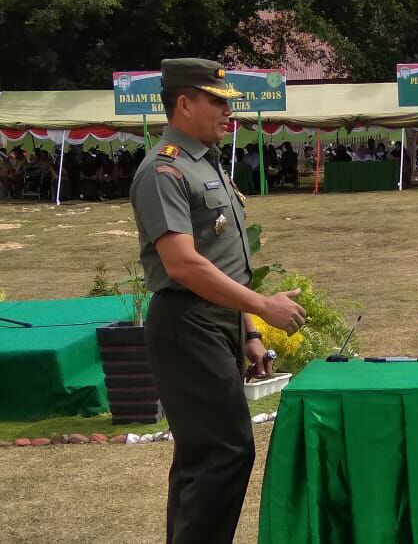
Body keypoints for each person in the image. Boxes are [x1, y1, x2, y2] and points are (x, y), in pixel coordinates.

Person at [129, 58, 306, 544]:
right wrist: (264, 306)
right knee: (224, 453)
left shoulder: (201, 163)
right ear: (184, 103)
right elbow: (184, 265)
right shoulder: (163, 169)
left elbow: (223, 262)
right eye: (217, 101)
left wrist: (248, 330)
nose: (228, 112)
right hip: (188, 323)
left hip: (215, 322)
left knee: (200, 459)